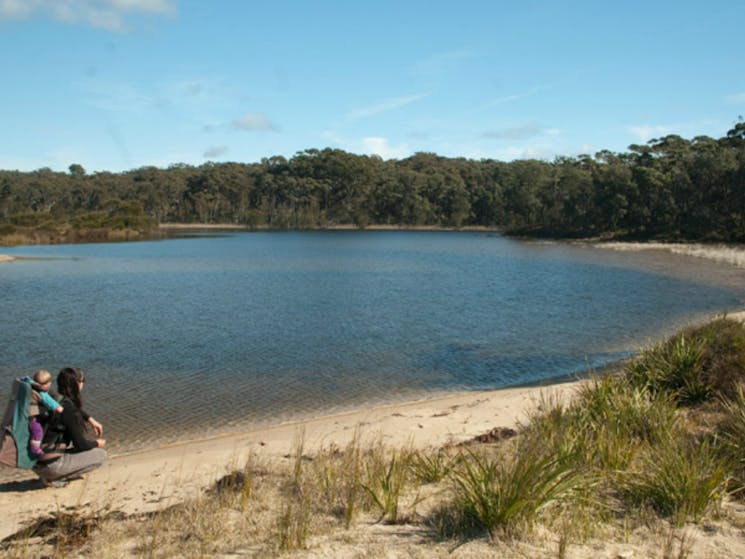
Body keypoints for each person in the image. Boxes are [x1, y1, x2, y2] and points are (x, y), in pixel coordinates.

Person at [33, 367, 107, 488]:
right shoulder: (70, 411)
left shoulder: (52, 398)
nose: (83, 383)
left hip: (35, 461)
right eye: (83, 380)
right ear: (77, 383)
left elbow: (72, 410)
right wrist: (97, 443)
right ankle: (54, 477)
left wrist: (90, 419)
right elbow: (81, 445)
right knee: (100, 455)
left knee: (69, 447)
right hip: (49, 465)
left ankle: (49, 473)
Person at [22, 369, 64, 458]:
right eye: (48, 384)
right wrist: (62, 409)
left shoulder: (30, 384)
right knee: (38, 432)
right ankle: (35, 449)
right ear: (47, 384)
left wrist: (24, 379)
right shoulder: (42, 394)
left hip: (28, 414)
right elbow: (53, 404)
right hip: (32, 418)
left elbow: (26, 379)